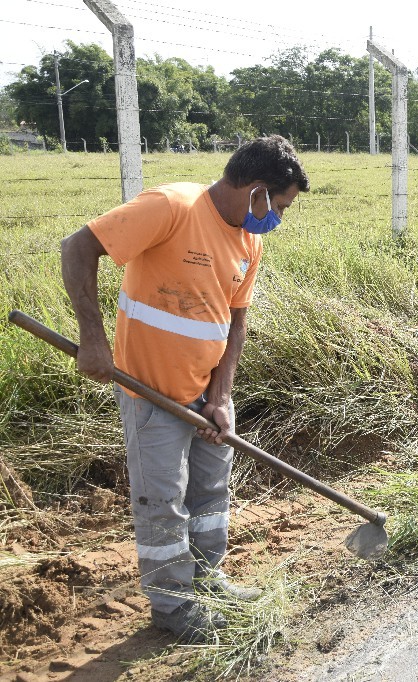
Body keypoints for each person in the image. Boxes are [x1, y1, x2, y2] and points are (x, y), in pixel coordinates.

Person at [60, 135, 310, 643]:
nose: (277, 219)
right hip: (149, 392)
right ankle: (174, 608)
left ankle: (208, 580)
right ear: (257, 190)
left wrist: (221, 397)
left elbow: (235, 323)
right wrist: (92, 340)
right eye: (279, 206)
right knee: (162, 502)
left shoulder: (248, 239)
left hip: (207, 392)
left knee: (210, 494)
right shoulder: (172, 206)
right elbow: (78, 246)